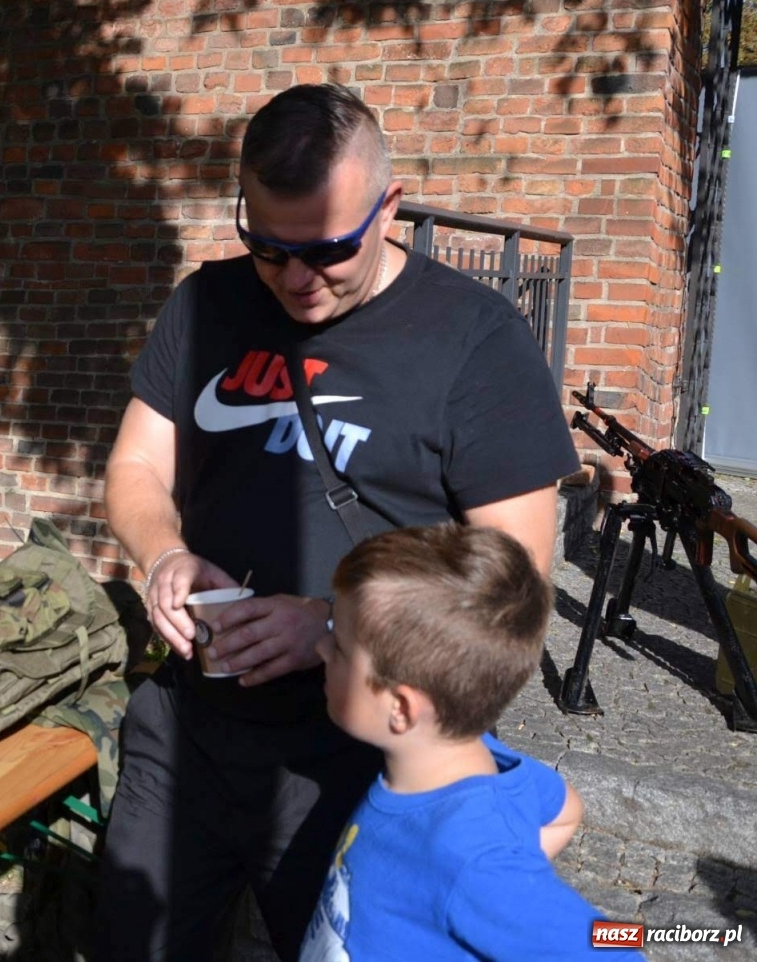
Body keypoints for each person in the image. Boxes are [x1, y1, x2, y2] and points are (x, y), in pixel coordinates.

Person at [93, 82, 581, 959]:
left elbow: (513, 584)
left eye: (324, 252)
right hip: (190, 727)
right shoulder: (206, 304)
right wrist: (164, 553)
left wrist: (327, 623)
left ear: (388, 207)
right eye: (268, 247)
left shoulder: (479, 342)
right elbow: (133, 467)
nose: (293, 279)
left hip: (355, 753)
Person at [300, 524, 640, 960]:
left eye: (339, 645)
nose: (321, 649)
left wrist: (489, 878)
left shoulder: (471, 857)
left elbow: (611, 945)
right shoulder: (485, 761)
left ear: (401, 709)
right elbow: (564, 809)